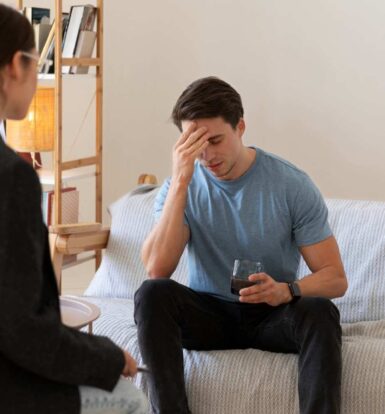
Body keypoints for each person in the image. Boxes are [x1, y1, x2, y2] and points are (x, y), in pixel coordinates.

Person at [135, 76, 348, 414]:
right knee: (151, 294)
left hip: (273, 316)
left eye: (216, 140)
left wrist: (287, 290)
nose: (207, 155)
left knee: (320, 311)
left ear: (241, 127)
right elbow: (158, 268)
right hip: (210, 314)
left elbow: (335, 277)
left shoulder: (290, 184)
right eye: (195, 144)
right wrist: (181, 182)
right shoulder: (182, 184)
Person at [0, 5, 147, 414]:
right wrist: (108, 358)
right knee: (129, 400)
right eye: (33, 63)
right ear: (16, 65)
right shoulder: (12, 177)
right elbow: (20, 327)